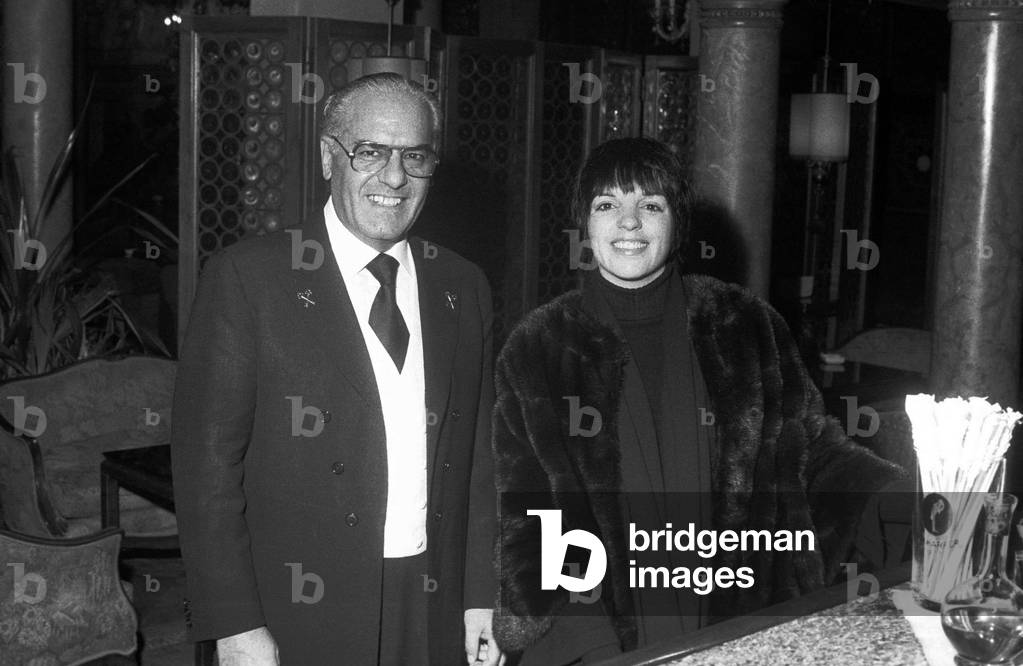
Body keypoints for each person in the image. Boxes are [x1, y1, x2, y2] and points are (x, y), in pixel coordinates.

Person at [491, 137, 905, 664]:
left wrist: (914, 499)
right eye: (607, 204)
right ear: (584, 222)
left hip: (744, 622)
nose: (629, 222)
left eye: (650, 204)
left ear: (677, 221)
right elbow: (531, 513)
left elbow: (816, 453)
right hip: (603, 635)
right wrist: (591, 644)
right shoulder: (540, 346)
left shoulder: (744, 323)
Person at [171, 73, 503, 665]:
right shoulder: (250, 280)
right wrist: (236, 626)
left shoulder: (463, 284)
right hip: (299, 611)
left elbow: (479, 460)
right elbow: (206, 474)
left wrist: (481, 596)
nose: (394, 178)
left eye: (415, 156)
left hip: (432, 602)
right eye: (370, 152)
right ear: (329, 157)